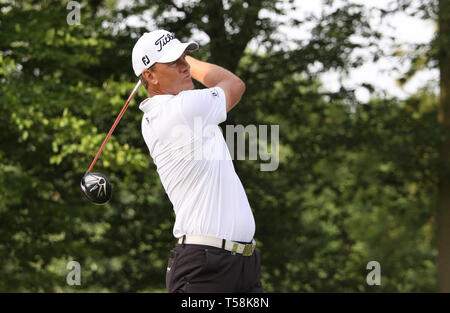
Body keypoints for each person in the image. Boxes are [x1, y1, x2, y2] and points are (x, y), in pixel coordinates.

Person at [131, 29, 263, 293]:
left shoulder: (174, 109)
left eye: (185, 59)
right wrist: (191, 63)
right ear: (150, 75)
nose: (184, 67)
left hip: (242, 266)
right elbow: (234, 84)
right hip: (205, 268)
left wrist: (175, 57)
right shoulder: (179, 109)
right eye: (174, 62)